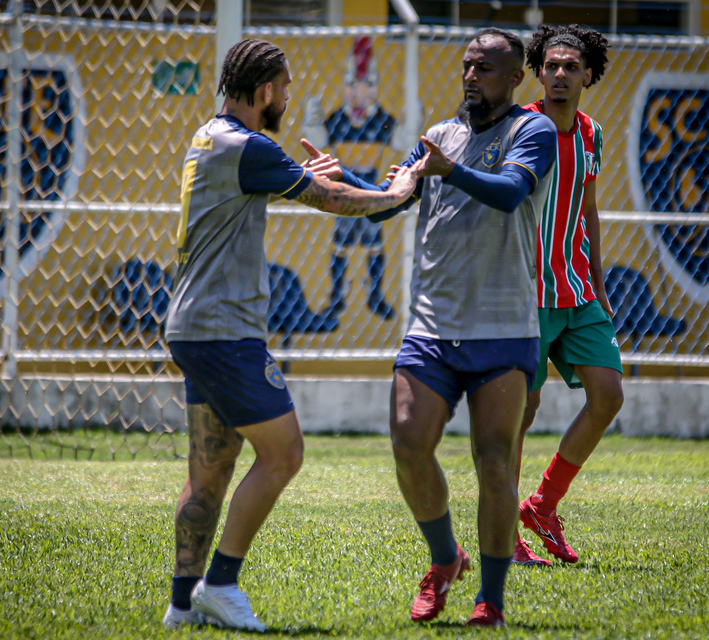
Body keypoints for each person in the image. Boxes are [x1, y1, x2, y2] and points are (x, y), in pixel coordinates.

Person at [161, 38, 421, 632]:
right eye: (284, 87)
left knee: (212, 468)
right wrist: (399, 192)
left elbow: (300, 184)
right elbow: (331, 198)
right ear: (264, 93)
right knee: (285, 453)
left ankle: (181, 606)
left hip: (193, 325)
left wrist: (309, 177)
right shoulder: (251, 147)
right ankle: (220, 584)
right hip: (225, 332)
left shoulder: (211, 137)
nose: (288, 97)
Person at [308, 27, 557, 627]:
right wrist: (341, 180)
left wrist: (450, 171)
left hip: (502, 328)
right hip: (431, 327)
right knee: (407, 441)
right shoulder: (440, 137)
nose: (472, 76)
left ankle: (490, 601)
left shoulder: (534, 131)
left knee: (495, 463)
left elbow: (511, 192)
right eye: (468, 65)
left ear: (515, 76)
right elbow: (395, 198)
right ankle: (445, 561)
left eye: (487, 68)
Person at [512, 25, 624, 567]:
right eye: (550, 65)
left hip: (576, 290)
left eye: (570, 67)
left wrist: (600, 287)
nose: (559, 74)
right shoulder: (519, 127)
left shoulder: (591, 132)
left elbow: (588, 209)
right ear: (538, 71)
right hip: (525, 294)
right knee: (519, 412)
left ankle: (543, 505)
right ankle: (502, 535)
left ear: (588, 75)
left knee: (607, 396)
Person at [304, 36, 412, 320]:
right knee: (340, 245)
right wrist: (312, 118)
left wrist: (411, 117)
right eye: (352, 84)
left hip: (370, 187)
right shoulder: (338, 119)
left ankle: (375, 295)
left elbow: (402, 140)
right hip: (340, 186)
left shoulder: (380, 122)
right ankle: (337, 295)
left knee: (374, 244)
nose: (359, 92)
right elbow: (317, 137)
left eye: (367, 84)